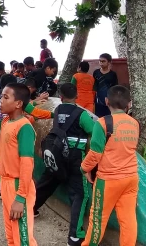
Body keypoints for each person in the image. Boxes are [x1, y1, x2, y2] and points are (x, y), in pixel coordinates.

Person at [33, 83, 95, 246]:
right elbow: (93, 130)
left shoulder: (58, 110)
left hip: (56, 152)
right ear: (77, 97)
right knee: (79, 195)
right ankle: (75, 236)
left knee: (48, 181)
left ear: (60, 97)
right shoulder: (81, 114)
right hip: (75, 156)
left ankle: (31, 209)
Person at [80, 85, 139, 246]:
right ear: (129, 103)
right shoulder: (134, 123)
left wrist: (84, 168)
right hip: (131, 178)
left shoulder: (102, 123)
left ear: (106, 101)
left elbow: (95, 154)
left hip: (108, 180)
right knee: (128, 219)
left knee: (98, 218)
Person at [0, 83, 38, 246]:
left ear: (18, 104)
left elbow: (27, 164)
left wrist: (20, 197)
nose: (1, 101)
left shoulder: (24, 127)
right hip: (5, 183)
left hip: (18, 185)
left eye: (6, 97)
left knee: (23, 238)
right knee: (12, 236)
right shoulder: (5, 122)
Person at [93, 54, 118, 118]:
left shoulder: (113, 74)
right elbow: (94, 86)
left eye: (103, 61)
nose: (101, 63)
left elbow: (115, 88)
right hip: (98, 100)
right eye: (100, 61)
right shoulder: (96, 72)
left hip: (109, 101)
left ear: (109, 62)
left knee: (109, 118)